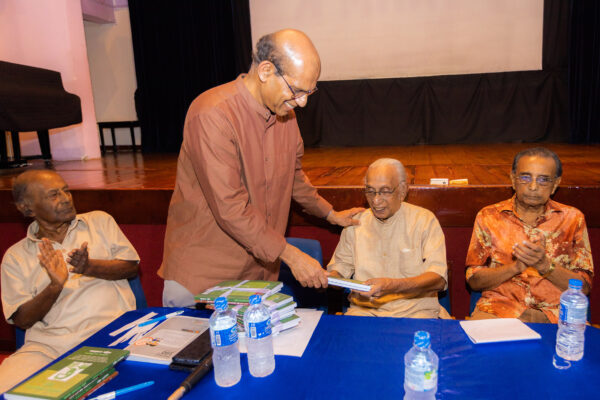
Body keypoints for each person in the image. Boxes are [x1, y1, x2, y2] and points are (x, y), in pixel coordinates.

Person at [159, 29, 362, 307]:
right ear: (266, 70)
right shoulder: (212, 113)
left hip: (259, 273)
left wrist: (330, 214)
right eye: (297, 90)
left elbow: (293, 177)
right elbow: (230, 207)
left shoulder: (285, 115)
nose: (302, 102)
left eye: (310, 92)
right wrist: (290, 255)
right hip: (205, 276)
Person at [0, 170, 140, 393]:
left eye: (66, 190)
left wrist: (88, 267)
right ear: (27, 208)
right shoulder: (15, 256)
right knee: (6, 391)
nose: (66, 198)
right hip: (47, 348)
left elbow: (131, 267)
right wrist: (54, 287)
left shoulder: (99, 222)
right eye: (54, 195)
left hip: (110, 335)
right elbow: (22, 319)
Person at [466, 147, 594, 323]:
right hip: (499, 309)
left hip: (559, 314)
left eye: (543, 180)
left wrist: (545, 265)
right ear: (513, 179)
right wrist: (516, 267)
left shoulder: (573, 219)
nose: (533, 187)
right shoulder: (489, 217)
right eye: (525, 177)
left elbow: (583, 287)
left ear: (555, 184)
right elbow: (474, 281)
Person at [327, 158, 449, 318]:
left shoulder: (424, 220)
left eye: (385, 191)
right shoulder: (356, 222)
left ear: (403, 190)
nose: (376, 200)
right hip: (364, 312)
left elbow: (438, 279)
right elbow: (340, 268)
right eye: (370, 191)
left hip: (416, 312)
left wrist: (392, 286)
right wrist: (330, 279)